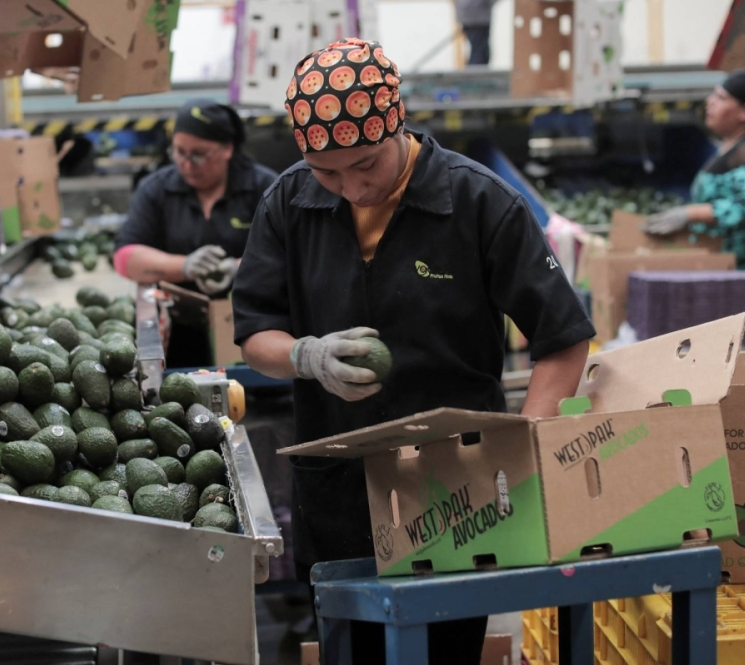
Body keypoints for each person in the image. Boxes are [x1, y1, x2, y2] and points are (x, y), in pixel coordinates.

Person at [231, 38, 594, 663]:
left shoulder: (481, 202)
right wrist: (305, 356)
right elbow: (254, 332)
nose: (351, 187)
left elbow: (562, 340)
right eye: (329, 172)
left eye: (366, 163)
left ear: (395, 122)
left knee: (447, 647)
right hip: (339, 488)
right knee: (354, 649)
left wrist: (525, 452)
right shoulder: (290, 200)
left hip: (458, 485)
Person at [114, 99, 278, 367]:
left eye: (199, 154)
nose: (188, 164)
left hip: (252, 326)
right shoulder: (156, 190)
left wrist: (240, 268)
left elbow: (293, 253)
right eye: (179, 152)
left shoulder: (265, 187)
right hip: (179, 332)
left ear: (227, 148)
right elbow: (125, 257)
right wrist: (186, 266)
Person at [644, 69, 745, 272]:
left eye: (721, 98)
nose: (710, 102)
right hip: (725, 270)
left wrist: (692, 213)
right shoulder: (736, 145)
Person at [456, 0, 496, 66]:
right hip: (478, 19)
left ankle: (473, 73)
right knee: (479, 54)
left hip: (471, 17)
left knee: (479, 53)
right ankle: (474, 75)